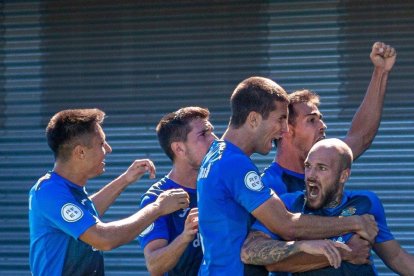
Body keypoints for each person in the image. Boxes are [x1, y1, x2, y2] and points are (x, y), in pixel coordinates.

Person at [196, 76, 378, 275]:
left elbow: (357, 141)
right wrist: (354, 223)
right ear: (254, 119)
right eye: (280, 119)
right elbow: (286, 225)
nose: (284, 130)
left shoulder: (216, 154)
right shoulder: (234, 163)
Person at [29, 108, 190, 276]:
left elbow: (86, 214)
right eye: (101, 143)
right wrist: (157, 208)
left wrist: (125, 179)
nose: (109, 149)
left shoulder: (65, 189)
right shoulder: (49, 192)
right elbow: (103, 239)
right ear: (80, 152)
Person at [243, 138, 414, 275]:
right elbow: (250, 252)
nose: (310, 176)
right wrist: (342, 253)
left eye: (321, 168)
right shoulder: (287, 205)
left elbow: (396, 257)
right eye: (308, 167)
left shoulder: (365, 203)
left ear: (343, 176)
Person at [262, 42, 397, 196]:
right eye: (311, 120)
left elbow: (361, 137)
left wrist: (381, 71)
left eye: (321, 119)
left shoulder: (328, 161)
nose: (323, 125)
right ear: (286, 130)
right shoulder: (268, 187)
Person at [138, 107, 216, 275]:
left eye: (211, 132)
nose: (214, 140)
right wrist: (186, 235)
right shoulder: (156, 198)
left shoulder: (219, 185)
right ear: (179, 149)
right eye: (203, 135)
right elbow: (154, 265)